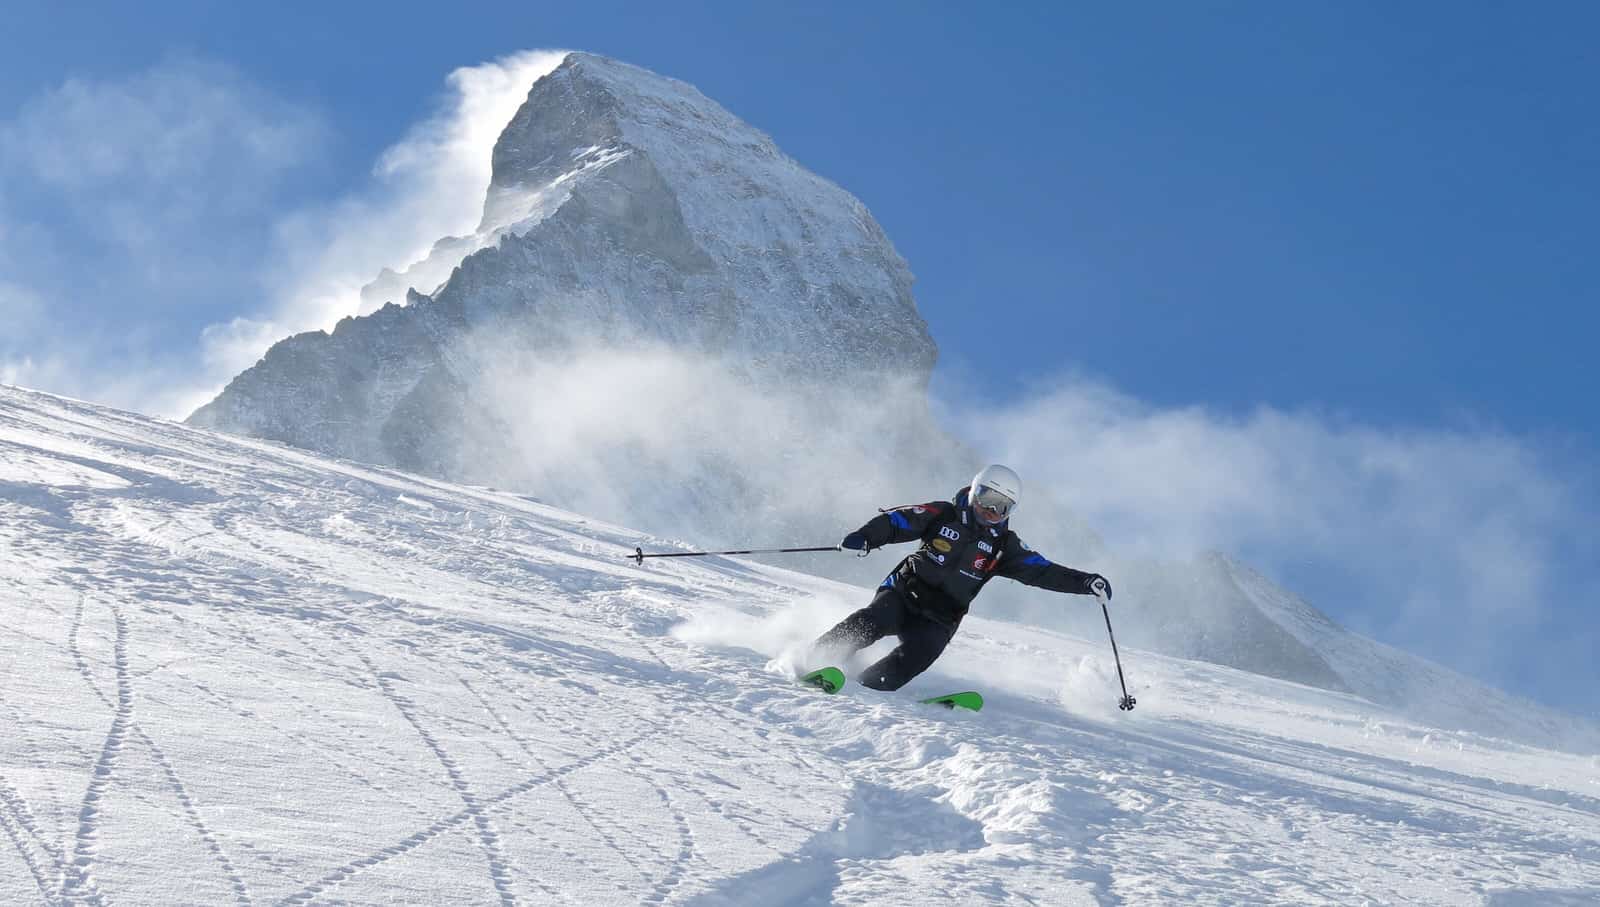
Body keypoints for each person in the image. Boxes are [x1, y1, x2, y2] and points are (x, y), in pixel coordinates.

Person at [810, 464, 1112, 691]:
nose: (992, 511)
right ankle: (814, 659)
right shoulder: (944, 514)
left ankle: (869, 688)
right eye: (988, 498)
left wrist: (1085, 582)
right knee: (873, 621)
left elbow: (1042, 571)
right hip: (905, 592)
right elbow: (897, 521)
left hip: (942, 617)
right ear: (975, 490)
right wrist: (865, 537)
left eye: (1002, 507)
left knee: (918, 656)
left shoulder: (1003, 546)